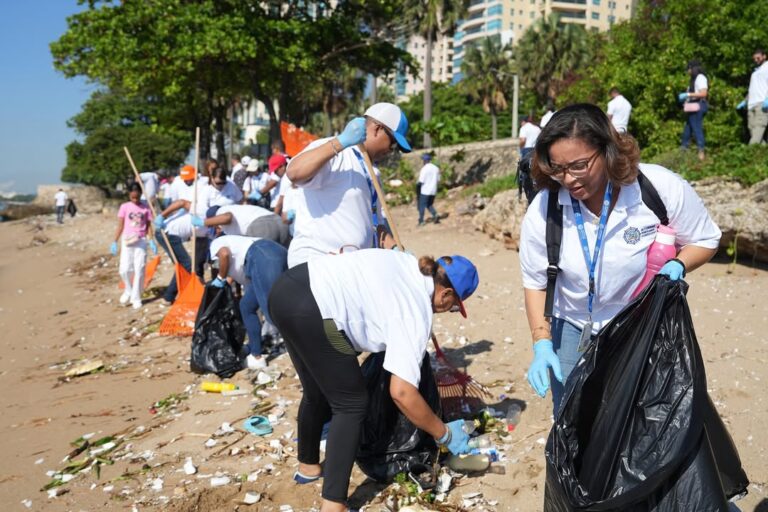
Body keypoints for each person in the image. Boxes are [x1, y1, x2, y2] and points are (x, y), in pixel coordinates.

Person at [519, 103, 721, 414]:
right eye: (557, 169)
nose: (569, 179)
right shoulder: (546, 208)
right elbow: (535, 282)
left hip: (641, 324)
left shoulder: (654, 187)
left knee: (640, 419)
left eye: (579, 165)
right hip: (573, 327)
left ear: (608, 150)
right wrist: (542, 342)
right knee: (573, 421)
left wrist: (679, 264)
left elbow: (706, 239)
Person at [268, 249, 479, 512]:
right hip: (315, 310)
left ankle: (308, 467)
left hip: (286, 291)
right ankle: (333, 504)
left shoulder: (407, 262)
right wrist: (443, 433)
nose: (448, 311)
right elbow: (401, 393)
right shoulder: (415, 310)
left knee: (318, 389)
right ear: (446, 294)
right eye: (454, 307)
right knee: (352, 403)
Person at [285, 102, 411, 268]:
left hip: (349, 266)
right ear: (377, 129)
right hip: (317, 261)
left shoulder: (374, 173)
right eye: (393, 142)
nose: (391, 150)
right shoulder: (335, 151)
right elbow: (294, 172)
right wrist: (341, 142)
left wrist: (395, 248)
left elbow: (375, 226)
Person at [209, 235, 287, 370]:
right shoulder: (236, 248)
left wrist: (220, 277)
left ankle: (309, 347)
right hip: (272, 252)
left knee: (272, 313)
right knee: (246, 306)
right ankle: (255, 352)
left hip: (261, 255)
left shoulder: (215, 244)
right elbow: (238, 275)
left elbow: (224, 254)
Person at [110, 182, 158, 310]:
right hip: (127, 241)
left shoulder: (145, 208)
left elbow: (148, 226)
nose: (135, 199)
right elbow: (120, 225)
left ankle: (136, 297)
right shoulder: (124, 207)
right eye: (132, 196)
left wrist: (151, 240)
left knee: (140, 269)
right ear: (129, 194)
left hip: (141, 241)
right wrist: (115, 241)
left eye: (137, 196)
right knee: (124, 270)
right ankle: (128, 289)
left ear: (141, 194)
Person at [193, 204, 291, 247]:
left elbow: (227, 217)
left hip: (261, 226)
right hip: (279, 222)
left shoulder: (222, 211)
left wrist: (203, 222)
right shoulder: (237, 209)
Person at [679, 60, 709, 161]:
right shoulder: (693, 80)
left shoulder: (700, 78)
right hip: (692, 106)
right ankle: (683, 151)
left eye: (689, 69)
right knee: (687, 130)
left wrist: (688, 95)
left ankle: (701, 152)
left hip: (699, 105)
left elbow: (704, 93)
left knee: (697, 129)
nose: (688, 71)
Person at [737, 48, 768, 144]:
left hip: (762, 104)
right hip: (751, 105)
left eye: (758, 58)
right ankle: (762, 156)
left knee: (757, 133)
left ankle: (747, 156)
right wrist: (745, 101)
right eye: (754, 59)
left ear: (764, 56)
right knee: (755, 133)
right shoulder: (755, 73)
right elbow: (752, 89)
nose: (756, 60)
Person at [416, 153, 440, 226]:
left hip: (425, 190)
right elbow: (438, 180)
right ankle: (435, 214)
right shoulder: (436, 168)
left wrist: (417, 189)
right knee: (429, 204)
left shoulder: (424, 169)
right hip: (433, 190)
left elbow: (421, 181)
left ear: (424, 160)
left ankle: (421, 220)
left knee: (421, 205)